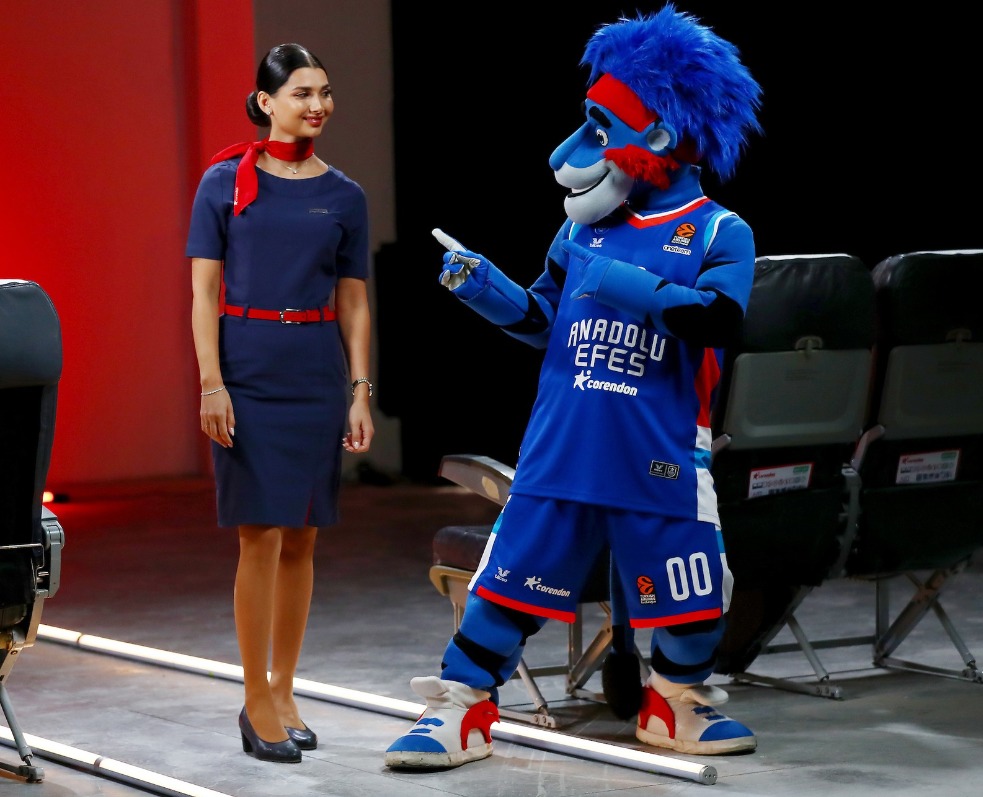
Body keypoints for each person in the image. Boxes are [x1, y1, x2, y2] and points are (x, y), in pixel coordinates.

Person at [385, 5, 762, 769]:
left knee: (694, 596)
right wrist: (486, 290)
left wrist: (630, 283)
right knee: (503, 586)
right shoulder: (579, 230)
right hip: (561, 448)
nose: (574, 150)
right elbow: (542, 321)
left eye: (599, 128)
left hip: (658, 454)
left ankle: (675, 703)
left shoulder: (720, 230)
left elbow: (720, 321)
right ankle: (461, 708)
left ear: (657, 136)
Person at [186, 42, 374, 764]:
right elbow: (204, 292)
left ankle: (286, 686)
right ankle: (254, 694)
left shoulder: (345, 194)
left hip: (315, 369)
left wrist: (359, 391)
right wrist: (211, 381)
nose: (317, 104)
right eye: (301, 92)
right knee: (258, 534)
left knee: (303, 535)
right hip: (247, 367)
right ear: (266, 102)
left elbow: (354, 300)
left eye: (324, 91)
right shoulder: (221, 184)